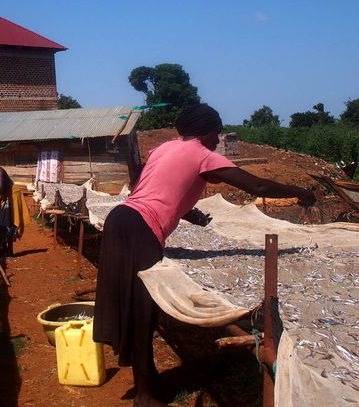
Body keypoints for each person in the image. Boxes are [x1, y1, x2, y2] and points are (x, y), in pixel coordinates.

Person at [93, 103, 316, 407]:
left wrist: (189, 213)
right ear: (208, 131)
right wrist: (301, 192)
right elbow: (257, 185)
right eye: (217, 133)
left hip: (121, 219)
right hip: (140, 230)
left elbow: (147, 188)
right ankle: (145, 397)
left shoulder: (165, 148)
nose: (218, 140)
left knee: (135, 307)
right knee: (143, 313)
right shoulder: (202, 154)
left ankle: (150, 380)